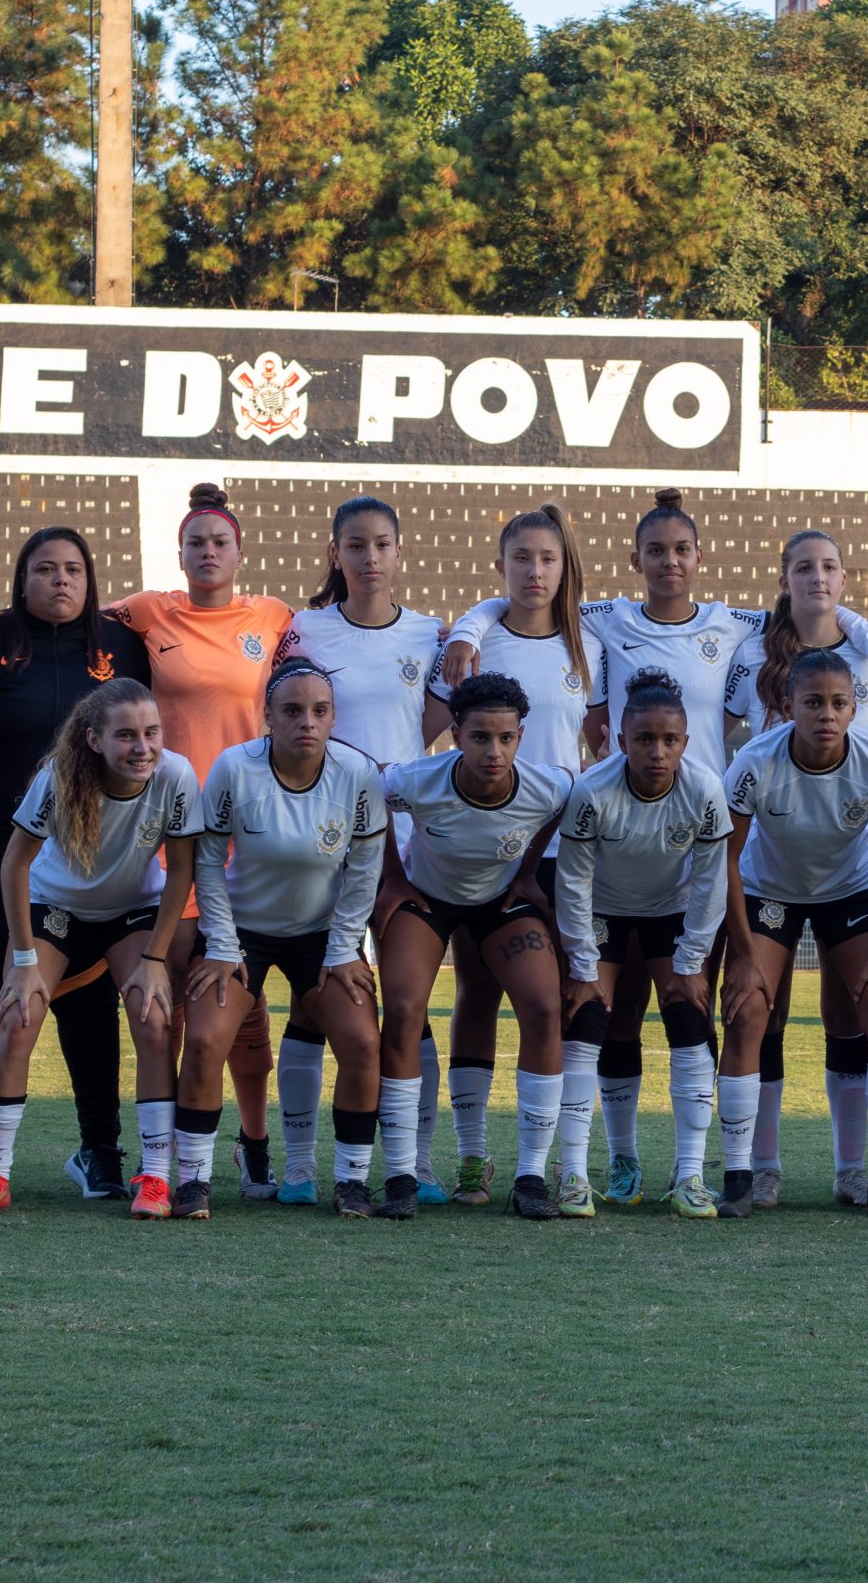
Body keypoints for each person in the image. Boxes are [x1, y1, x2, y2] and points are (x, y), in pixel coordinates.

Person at [443, 490, 868, 1207]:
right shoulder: (605, 620)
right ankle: (616, 1160)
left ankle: (703, 1167)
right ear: (636, 559)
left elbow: (817, 612)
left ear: (699, 556)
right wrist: (465, 630)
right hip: (617, 839)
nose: (669, 561)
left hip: (699, 846)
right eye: (655, 550)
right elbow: (521, 604)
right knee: (610, 1010)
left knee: (695, 1001)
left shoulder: (734, 625)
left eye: (681, 549)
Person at [0, 526, 151, 1201]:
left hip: (91, 859)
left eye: (73, 568)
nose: (60, 579)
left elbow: (144, 736)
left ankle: (100, 1150)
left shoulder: (120, 645)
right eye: (44, 569)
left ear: (90, 579)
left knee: (89, 1003)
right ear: (21, 579)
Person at [108, 483, 296, 1200]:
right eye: (196, 543)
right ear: (180, 552)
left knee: (242, 1009)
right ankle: (168, 1157)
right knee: (175, 1003)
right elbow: (71, 619)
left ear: (240, 551)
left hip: (250, 833)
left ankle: (254, 1142)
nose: (208, 552)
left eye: (220, 542)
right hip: (169, 834)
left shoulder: (274, 618)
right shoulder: (150, 610)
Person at [0, 681, 198, 1219]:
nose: (143, 747)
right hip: (54, 908)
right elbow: (13, 864)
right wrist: (21, 962)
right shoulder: (59, 777)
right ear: (93, 740)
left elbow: (182, 870)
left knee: (154, 1018)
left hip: (131, 912)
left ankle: (154, 1177)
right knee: (18, 1017)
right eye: (126, 736)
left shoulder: (176, 775)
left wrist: (156, 959)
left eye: (152, 733)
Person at [726, 528, 868, 1204]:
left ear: (856, 706)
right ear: (787, 706)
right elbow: (726, 855)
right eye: (813, 703)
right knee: (750, 1011)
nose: (827, 714)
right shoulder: (754, 762)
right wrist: (745, 952)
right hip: (770, 890)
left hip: (849, 890)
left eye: (839, 703)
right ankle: (749, 1171)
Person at [270, 496, 448, 1207]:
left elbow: (426, 727)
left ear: (400, 552)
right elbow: (285, 713)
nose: (370, 557)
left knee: (410, 1000)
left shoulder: (431, 634)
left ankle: (420, 1161)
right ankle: (297, 1164)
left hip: (405, 847)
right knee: (317, 1003)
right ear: (335, 553)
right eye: (355, 545)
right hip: (322, 841)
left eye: (382, 544)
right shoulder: (305, 630)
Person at [426, 505, 603, 1207]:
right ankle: (473, 1157)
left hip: (566, 852)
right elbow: (430, 736)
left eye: (548, 559)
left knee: (559, 1001)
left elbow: (604, 743)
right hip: (483, 848)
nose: (535, 571)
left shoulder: (593, 642)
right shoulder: (477, 640)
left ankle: (558, 1162)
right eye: (522, 558)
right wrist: (471, 623)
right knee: (476, 993)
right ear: (501, 567)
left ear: (566, 566)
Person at [179, 661, 384, 1220]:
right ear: (267, 716)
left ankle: (351, 1181)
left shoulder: (358, 773)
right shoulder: (234, 768)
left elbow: (365, 869)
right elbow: (208, 860)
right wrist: (221, 941)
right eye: (292, 711)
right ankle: (193, 1179)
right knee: (202, 1041)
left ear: (334, 717)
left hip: (322, 937)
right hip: (242, 933)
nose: (307, 723)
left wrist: (345, 946)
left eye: (319, 711)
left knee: (364, 1043)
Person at [377, 673, 575, 1221]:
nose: (494, 751)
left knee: (543, 1006)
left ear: (521, 736)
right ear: (456, 735)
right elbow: (368, 793)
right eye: (480, 737)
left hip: (498, 904)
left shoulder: (547, 786)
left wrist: (531, 869)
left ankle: (531, 1174)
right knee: (401, 1009)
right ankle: (399, 1174)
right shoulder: (415, 780)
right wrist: (393, 876)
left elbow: (566, 805)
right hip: (429, 901)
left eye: (507, 738)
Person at [554, 669, 734, 1218]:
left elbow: (712, 880)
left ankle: (690, 1175)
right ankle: (580, 1173)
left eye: (669, 740)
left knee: (688, 1017)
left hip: (671, 911)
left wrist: (692, 960)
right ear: (620, 738)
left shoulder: (704, 789)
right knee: (590, 1016)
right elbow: (572, 882)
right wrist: (584, 964)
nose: (657, 751)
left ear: (686, 741)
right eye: (644, 740)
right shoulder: (592, 791)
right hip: (605, 910)